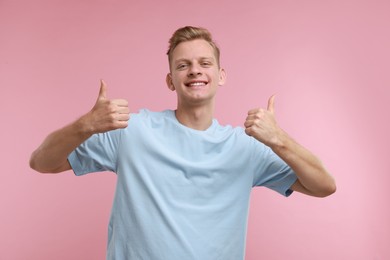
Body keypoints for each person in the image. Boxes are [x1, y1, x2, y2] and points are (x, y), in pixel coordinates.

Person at [30, 26, 336, 260]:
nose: (195, 71)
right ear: (170, 80)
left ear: (221, 75)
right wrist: (86, 125)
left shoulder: (246, 147)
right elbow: (41, 162)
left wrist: (280, 140)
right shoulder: (131, 131)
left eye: (205, 63)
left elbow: (324, 185)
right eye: (183, 65)